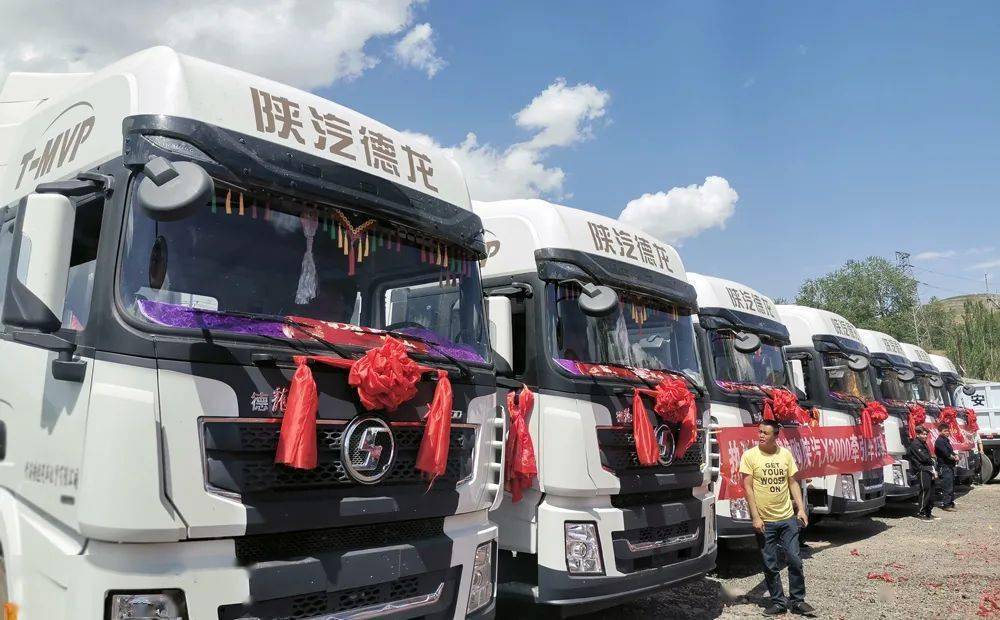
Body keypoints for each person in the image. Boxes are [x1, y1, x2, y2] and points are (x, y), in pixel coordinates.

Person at [740, 420, 814, 616]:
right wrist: (755, 517)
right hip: (765, 521)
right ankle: (778, 602)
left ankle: (798, 601)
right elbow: (748, 488)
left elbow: (793, 483)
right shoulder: (750, 456)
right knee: (770, 564)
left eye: (765, 433)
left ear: (776, 436)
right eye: (760, 432)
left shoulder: (785, 455)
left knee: (795, 560)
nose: (761, 435)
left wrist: (801, 509)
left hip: (787, 518)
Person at [905, 426, 938, 520]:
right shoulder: (915, 444)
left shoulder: (923, 443)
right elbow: (924, 458)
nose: (925, 436)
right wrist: (932, 459)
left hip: (928, 469)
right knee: (925, 490)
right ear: (918, 434)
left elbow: (929, 458)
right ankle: (921, 512)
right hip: (922, 470)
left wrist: (932, 463)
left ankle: (928, 512)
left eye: (926, 434)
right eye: (923, 434)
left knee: (931, 491)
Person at [934, 424, 958, 511]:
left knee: (951, 485)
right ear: (940, 432)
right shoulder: (939, 441)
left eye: (948, 431)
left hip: (950, 466)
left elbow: (950, 451)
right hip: (944, 466)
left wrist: (955, 455)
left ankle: (951, 502)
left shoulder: (946, 440)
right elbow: (946, 453)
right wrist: (954, 457)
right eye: (945, 431)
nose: (947, 432)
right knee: (947, 486)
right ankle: (946, 505)